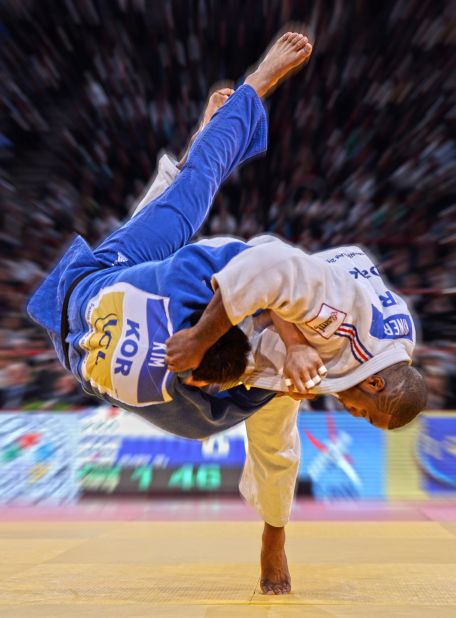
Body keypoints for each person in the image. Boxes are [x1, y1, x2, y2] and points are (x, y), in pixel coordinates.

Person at [27, 31, 314, 595]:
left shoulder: (185, 304)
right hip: (95, 305)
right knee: (186, 198)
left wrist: (295, 354)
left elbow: (257, 265)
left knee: (183, 197)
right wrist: (300, 353)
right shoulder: (193, 297)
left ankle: (213, 134)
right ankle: (235, 109)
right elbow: (261, 259)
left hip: (91, 289)